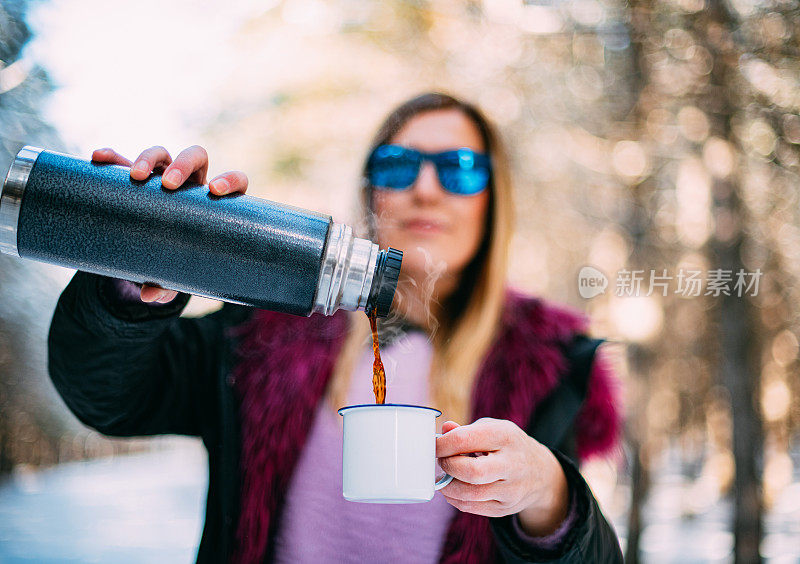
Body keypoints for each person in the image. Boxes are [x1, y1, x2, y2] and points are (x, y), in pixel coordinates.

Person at [48, 92, 623, 563]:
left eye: (460, 168)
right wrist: (141, 262)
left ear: (494, 200)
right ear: (371, 189)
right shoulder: (267, 329)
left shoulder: (551, 363)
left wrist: (549, 493)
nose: (425, 189)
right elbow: (110, 396)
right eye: (397, 165)